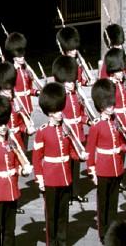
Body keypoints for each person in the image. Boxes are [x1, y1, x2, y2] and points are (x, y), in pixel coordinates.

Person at [34, 82, 87, 246]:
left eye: (60, 109)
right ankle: (52, 242)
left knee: (63, 213)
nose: (60, 114)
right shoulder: (42, 131)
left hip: (65, 176)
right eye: (56, 111)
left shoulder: (66, 129)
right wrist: (40, 179)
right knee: (51, 215)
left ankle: (62, 241)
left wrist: (80, 156)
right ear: (49, 112)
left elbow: (70, 151)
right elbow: (37, 158)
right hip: (50, 178)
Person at [0, 94, 32, 245]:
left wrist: (24, 171)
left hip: (11, 191)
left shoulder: (12, 144)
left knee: (10, 229)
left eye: (4, 123)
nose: (3, 127)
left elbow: (15, 165)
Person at [86, 79, 126, 243]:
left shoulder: (116, 121)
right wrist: (92, 171)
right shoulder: (96, 125)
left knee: (113, 202)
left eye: (112, 102)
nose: (112, 106)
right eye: (108, 104)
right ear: (101, 105)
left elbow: (120, 141)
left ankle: (112, 230)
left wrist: (125, 148)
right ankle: (103, 232)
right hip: (103, 168)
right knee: (103, 204)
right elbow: (90, 151)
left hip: (116, 166)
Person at [52, 54, 89, 203]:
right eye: (69, 81)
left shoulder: (76, 96)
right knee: (66, 165)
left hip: (78, 133)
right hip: (66, 134)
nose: (72, 84)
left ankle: (75, 192)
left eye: (73, 80)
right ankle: (66, 193)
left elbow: (81, 114)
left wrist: (88, 121)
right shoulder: (60, 96)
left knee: (76, 166)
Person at [0, 61, 32, 154]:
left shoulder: (14, 102)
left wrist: (25, 129)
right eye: (6, 87)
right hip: (4, 143)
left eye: (11, 86)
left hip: (18, 143)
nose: (10, 90)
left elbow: (20, 123)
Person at [6, 31, 40, 115]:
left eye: (23, 56)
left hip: (27, 105)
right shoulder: (11, 71)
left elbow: (28, 89)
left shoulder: (26, 70)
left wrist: (37, 92)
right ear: (14, 57)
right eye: (19, 56)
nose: (22, 58)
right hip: (18, 105)